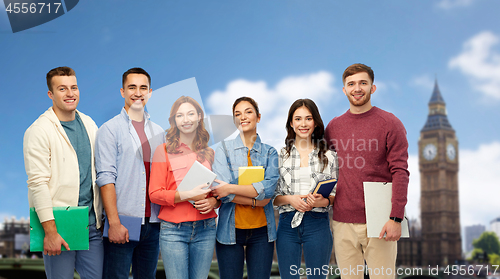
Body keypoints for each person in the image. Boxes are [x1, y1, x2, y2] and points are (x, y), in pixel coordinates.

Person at [324, 63, 409, 279]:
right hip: (342, 221)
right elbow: (325, 169)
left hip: (380, 220)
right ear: (344, 90)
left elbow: (400, 171)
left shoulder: (390, 123)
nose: (357, 88)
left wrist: (396, 218)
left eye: (363, 83)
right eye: (351, 84)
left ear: (373, 87)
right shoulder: (333, 127)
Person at [23, 66, 103, 279]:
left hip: (92, 225)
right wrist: (50, 232)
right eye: (62, 89)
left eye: (74, 87)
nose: (70, 93)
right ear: (51, 94)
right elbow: (37, 183)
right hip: (59, 225)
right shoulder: (38, 131)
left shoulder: (90, 124)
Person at [95, 67, 165, 279]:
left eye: (143, 87)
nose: (138, 92)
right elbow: (105, 178)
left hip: (153, 223)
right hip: (123, 221)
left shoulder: (159, 132)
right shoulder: (109, 129)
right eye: (132, 87)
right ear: (122, 91)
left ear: (150, 92)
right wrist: (114, 223)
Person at [149, 96, 219, 279]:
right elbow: (154, 194)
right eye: (180, 115)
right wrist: (188, 194)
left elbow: (216, 191)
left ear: (199, 117)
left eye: (190, 114)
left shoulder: (210, 152)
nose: (186, 119)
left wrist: (214, 201)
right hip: (174, 231)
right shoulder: (162, 151)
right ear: (173, 120)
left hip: (206, 228)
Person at [211, 96, 279, 279]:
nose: (243, 117)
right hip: (229, 231)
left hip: (262, 232)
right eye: (237, 114)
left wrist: (231, 188)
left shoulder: (270, 152)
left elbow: (269, 190)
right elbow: (221, 193)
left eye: (248, 112)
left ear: (258, 117)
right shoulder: (223, 150)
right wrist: (258, 200)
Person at [274, 99, 338, 279]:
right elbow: (273, 197)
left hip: (318, 223)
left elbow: (333, 195)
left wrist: (322, 201)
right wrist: (290, 199)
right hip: (287, 223)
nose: (303, 124)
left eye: (308, 118)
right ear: (291, 123)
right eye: (298, 119)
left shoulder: (329, 156)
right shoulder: (279, 156)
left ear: (315, 122)